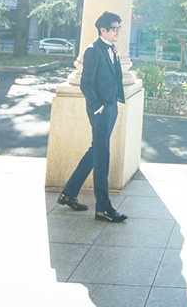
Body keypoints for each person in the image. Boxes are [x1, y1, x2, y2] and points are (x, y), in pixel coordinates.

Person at [57, 11, 128, 223]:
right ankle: (103, 208)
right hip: (101, 111)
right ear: (102, 30)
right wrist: (98, 107)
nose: (117, 32)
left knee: (95, 151)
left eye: (118, 28)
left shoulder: (110, 49)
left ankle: (68, 193)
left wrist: (112, 103)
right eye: (114, 28)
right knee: (102, 156)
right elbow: (85, 83)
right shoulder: (93, 51)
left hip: (110, 106)